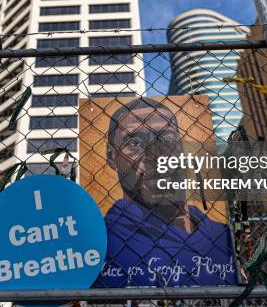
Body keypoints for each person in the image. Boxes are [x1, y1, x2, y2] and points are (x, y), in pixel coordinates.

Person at [96, 98, 237, 288]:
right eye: (134, 142)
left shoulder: (224, 235)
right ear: (112, 156)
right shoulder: (99, 243)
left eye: (167, 140)